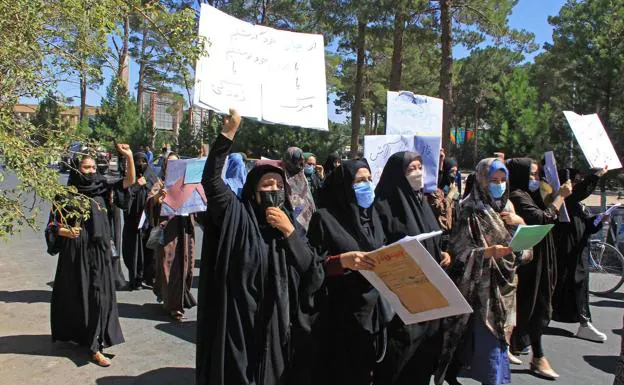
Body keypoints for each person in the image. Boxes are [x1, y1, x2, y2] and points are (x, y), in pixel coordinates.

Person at [196, 109, 324, 385]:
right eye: (267, 185)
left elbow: (312, 271)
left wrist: (289, 233)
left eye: (279, 185)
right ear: (254, 190)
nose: (274, 190)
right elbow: (212, 181)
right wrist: (228, 134)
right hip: (239, 320)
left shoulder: (290, 224)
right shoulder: (237, 215)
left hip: (276, 323)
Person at [436, 158, 532, 385]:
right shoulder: (469, 209)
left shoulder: (508, 207)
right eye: (493, 181)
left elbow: (525, 251)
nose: (498, 185)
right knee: (490, 348)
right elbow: (459, 251)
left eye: (502, 180)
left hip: (506, 287)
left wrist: (521, 224)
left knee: (497, 342)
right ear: (481, 181)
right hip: (481, 291)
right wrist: (488, 252)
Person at [48, 143, 135, 367]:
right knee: (79, 297)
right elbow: (52, 225)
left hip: (99, 251)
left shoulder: (102, 188)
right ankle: (84, 337)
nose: (90, 171)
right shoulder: (66, 194)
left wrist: (129, 157)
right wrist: (64, 231)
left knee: (100, 296)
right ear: (77, 169)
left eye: (93, 166)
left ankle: (96, 345)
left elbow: (128, 183)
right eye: (86, 167)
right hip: (75, 254)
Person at [307, 159, 392, 385]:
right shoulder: (325, 219)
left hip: (374, 311)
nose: (367, 185)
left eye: (369, 179)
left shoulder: (373, 216)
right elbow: (310, 266)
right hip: (340, 316)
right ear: (345, 186)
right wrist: (341, 261)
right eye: (360, 181)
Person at [373, 152, 451, 385]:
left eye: (420, 167)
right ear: (398, 175)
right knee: (400, 359)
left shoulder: (421, 203)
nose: (418, 173)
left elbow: (433, 237)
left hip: (430, 294)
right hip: (402, 299)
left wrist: (442, 253)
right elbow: (381, 247)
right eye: (411, 169)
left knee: (423, 357)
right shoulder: (383, 207)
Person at [506, 157, 572, 379]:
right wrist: (560, 197)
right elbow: (542, 218)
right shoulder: (516, 195)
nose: (535, 179)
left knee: (536, 304)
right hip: (529, 260)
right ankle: (537, 355)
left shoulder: (531, 194)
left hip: (542, 255)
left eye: (537, 174)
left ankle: (520, 349)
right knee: (532, 305)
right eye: (531, 174)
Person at [552, 166, 609, 341]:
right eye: (574, 180)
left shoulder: (577, 205)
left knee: (579, 287)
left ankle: (584, 322)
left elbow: (587, 227)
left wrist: (601, 219)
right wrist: (596, 176)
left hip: (578, 252)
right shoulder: (562, 200)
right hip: (564, 254)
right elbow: (579, 192)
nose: (576, 184)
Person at [146, 151, 197, 321]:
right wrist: (158, 200)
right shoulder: (160, 184)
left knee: (186, 266)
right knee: (168, 266)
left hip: (185, 231)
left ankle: (178, 298)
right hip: (168, 233)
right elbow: (150, 205)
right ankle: (174, 305)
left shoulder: (187, 184)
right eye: (170, 164)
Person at [121, 152, 156, 290]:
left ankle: (148, 278)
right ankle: (135, 279)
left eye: (143, 161)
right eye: (137, 161)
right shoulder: (129, 179)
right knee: (133, 252)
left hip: (148, 223)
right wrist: (136, 185)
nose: (140, 164)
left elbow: (157, 196)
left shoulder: (152, 177)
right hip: (132, 223)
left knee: (149, 252)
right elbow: (124, 199)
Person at [428, 155, 461, 250]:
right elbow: (439, 208)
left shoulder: (453, 187)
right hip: (438, 234)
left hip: (451, 234)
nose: (454, 174)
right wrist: (450, 196)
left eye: (455, 171)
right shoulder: (435, 189)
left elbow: (456, 205)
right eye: (451, 171)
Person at [282, 147, 316, 230]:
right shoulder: (281, 177)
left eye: (301, 159)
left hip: (309, 218)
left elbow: (308, 198)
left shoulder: (301, 175)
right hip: (291, 221)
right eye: (296, 160)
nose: (300, 163)